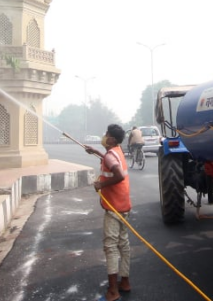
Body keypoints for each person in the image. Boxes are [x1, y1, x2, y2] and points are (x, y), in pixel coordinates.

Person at [85, 124, 132, 300]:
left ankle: (113, 291)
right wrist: (96, 152)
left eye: (106, 134)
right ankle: (125, 282)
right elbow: (110, 159)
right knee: (123, 244)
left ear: (111, 139)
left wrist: (100, 185)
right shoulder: (117, 151)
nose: (104, 136)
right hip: (124, 206)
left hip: (113, 209)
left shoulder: (111, 156)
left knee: (111, 247)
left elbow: (118, 174)